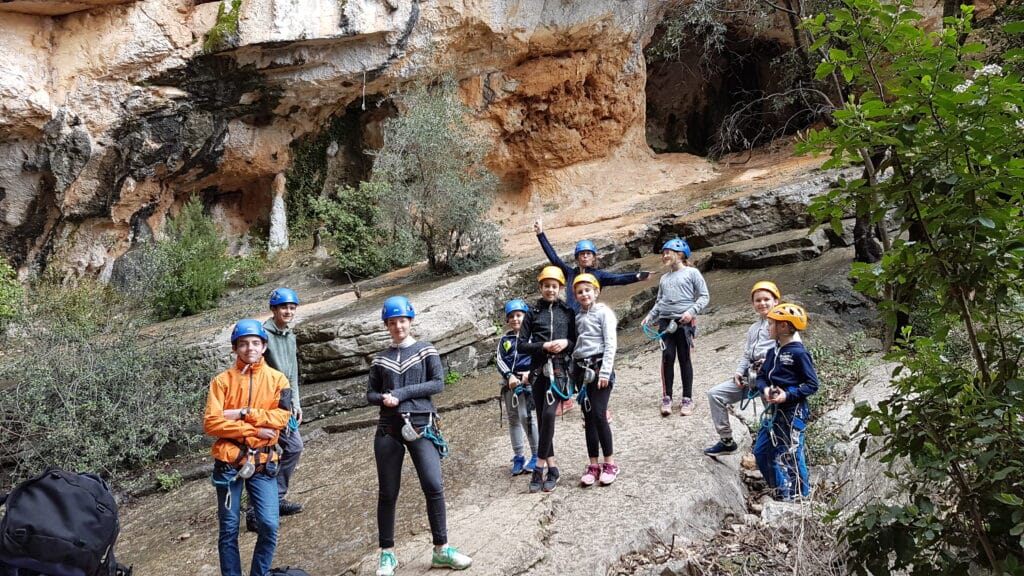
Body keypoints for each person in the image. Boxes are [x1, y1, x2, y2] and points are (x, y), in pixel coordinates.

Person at [367, 296, 472, 576]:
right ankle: (387, 554)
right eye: (392, 322)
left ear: (410, 321)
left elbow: (437, 383)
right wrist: (383, 398)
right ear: (387, 325)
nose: (398, 326)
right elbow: (370, 394)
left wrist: (399, 394)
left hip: (422, 425)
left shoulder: (426, 350)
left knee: (433, 484)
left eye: (402, 320)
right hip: (388, 428)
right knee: (388, 492)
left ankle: (441, 549)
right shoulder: (380, 358)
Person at [533, 218, 650, 415]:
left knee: (595, 358)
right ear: (577, 257)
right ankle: (568, 397)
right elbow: (554, 258)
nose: (585, 257)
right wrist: (540, 234)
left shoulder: (600, 275)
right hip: (572, 321)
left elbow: (618, 279)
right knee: (569, 361)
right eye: (581, 254)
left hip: (590, 321)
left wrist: (639, 276)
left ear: (594, 257)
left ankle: (601, 405)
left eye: (588, 254)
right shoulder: (569, 273)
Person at [204, 319, 292, 576]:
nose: (249, 348)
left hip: (264, 463)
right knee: (229, 528)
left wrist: (243, 413)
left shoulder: (278, 380)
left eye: (255, 343)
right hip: (230, 463)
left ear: (264, 346)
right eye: (243, 344)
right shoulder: (222, 382)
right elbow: (212, 423)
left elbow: (281, 418)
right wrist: (252, 429)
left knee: (269, 525)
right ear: (235, 348)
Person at [245, 288, 304, 533]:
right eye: (283, 307)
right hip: (265, 406)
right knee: (260, 454)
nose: (288, 311)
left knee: (293, 447)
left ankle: (276, 499)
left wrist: (296, 403)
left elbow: (292, 373)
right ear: (273, 309)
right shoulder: (263, 335)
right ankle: (253, 513)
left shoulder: (290, 336)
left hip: (285, 402)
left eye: (292, 307)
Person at [517, 266, 577, 494]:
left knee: (550, 414)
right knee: (542, 420)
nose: (550, 290)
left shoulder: (567, 312)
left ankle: (539, 467)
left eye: (554, 286)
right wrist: (542, 346)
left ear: (560, 288)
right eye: (546, 286)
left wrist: (566, 344)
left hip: (560, 369)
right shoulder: (532, 313)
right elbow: (522, 344)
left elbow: (574, 340)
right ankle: (553, 468)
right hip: (538, 370)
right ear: (540, 287)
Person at [704, 281, 780, 456]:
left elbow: (789, 350)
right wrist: (739, 372)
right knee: (715, 394)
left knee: (774, 420)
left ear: (776, 301)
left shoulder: (782, 323)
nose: (762, 303)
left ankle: (778, 455)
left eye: (766, 299)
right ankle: (726, 441)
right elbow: (747, 354)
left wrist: (768, 362)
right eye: (758, 300)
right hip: (751, 376)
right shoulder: (754, 328)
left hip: (771, 378)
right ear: (753, 304)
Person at [753, 303, 819, 501]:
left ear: (783, 327)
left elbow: (812, 384)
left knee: (792, 452)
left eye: (771, 323)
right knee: (762, 451)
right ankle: (781, 491)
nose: (767, 327)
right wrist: (765, 389)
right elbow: (762, 376)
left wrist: (787, 396)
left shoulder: (799, 353)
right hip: (775, 411)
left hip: (792, 411)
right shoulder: (774, 352)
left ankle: (800, 497)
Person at [640, 238, 710, 417]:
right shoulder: (664, 278)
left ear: (680, 254)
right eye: (663, 253)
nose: (664, 256)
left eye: (667, 252)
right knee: (667, 357)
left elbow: (704, 296)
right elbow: (659, 302)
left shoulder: (692, 273)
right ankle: (667, 397)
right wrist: (650, 316)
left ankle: (687, 398)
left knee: (684, 357)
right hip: (665, 322)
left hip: (684, 322)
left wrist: (691, 312)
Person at [570, 274, 620, 486]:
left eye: (588, 290)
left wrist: (605, 372)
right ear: (575, 296)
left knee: (599, 414)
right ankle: (593, 465)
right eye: (580, 292)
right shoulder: (578, 317)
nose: (584, 294)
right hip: (583, 371)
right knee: (588, 418)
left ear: (596, 292)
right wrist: (573, 377)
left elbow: (611, 343)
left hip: (600, 368)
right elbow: (575, 348)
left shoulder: (604, 313)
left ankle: (610, 463)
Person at [496, 298, 539, 476]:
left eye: (519, 315)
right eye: (512, 316)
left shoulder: (532, 336)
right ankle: (519, 456)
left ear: (526, 316)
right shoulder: (505, 340)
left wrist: (530, 372)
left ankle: (537, 454)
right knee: (513, 419)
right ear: (507, 320)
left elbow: (539, 354)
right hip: (510, 384)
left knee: (526, 417)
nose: (515, 319)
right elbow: (499, 359)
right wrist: (509, 376)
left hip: (527, 382)